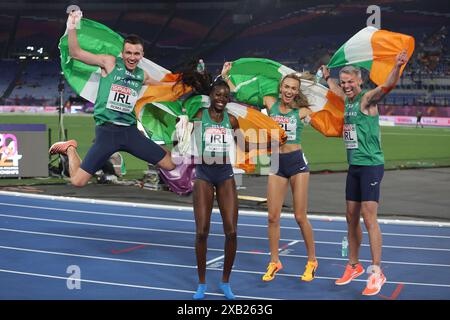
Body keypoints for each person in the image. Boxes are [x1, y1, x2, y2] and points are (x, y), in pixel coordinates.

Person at [49, 10, 175, 186]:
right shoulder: (109, 63)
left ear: (142, 55)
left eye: (136, 54)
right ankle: (70, 148)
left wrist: (191, 83)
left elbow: (169, 89)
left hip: (131, 133)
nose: (132, 57)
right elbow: (76, 53)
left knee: (170, 164)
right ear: (122, 53)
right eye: (128, 53)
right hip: (107, 134)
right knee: (78, 181)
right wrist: (71, 27)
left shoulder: (142, 75)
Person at [321, 50, 408, 296]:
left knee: (369, 218)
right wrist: (328, 78)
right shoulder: (346, 99)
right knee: (351, 216)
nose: (346, 86)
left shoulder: (366, 99)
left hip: (371, 165)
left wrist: (397, 66)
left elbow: (387, 86)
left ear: (360, 81)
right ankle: (353, 265)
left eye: (351, 82)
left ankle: (377, 272)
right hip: (354, 167)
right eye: (344, 82)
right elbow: (336, 89)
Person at [221, 63, 318, 283]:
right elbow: (240, 94)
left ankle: (312, 260)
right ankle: (274, 261)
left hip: (297, 164)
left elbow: (322, 115)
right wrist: (227, 77)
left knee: (300, 216)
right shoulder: (270, 103)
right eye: (286, 87)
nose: (289, 91)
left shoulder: (302, 112)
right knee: (272, 217)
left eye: (293, 88)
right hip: (276, 162)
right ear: (280, 87)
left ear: (297, 91)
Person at [190, 79, 240, 300]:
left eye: (225, 96)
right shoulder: (201, 116)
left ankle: (225, 282)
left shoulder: (232, 120)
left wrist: (269, 143)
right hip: (204, 174)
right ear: (211, 95)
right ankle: (201, 283)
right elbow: (188, 141)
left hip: (224, 175)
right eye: (218, 95)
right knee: (202, 231)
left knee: (231, 232)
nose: (221, 99)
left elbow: (243, 145)